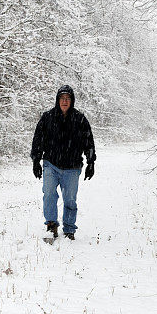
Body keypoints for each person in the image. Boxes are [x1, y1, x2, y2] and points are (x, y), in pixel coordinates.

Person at [30, 85, 96, 240]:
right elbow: (38, 140)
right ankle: (51, 225)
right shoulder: (48, 118)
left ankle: (69, 229)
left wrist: (91, 162)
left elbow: (89, 142)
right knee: (49, 195)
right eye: (62, 98)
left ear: (72, 101)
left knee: (70, 199)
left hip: (72, 167)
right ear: (57, 100)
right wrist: (36, 161)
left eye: (68, 98)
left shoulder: (80, 119)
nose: (64, 101)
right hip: (51, 164)